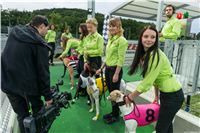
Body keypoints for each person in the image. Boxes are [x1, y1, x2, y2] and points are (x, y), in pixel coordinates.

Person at [126, 25, 184, 133]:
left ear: (156, 39)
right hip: (167, 95)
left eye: (153, 37)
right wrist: (157, 96)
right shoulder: (146, 54)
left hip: (173, 96)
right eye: (146, 36)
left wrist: (130, 97)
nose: (149, 39)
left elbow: (147, 82)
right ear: (141, 38)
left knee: (160, 129)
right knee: (167, 126)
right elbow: (154, 79)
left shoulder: (155, 55)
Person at [1, 15, 53, 133]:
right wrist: (48, 96)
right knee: (39, 114)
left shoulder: (15, 32)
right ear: (41, 26)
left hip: (8, 83)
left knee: (22, 116)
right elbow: (43, 73)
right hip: (28, 86)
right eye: (47, 28)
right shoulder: (39, 44)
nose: (47, 31)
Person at [96, 18, 128, 124]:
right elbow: (107, 56)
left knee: (115, 94)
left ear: (119, 27)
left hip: (115, 70)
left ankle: (116, 115)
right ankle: (114, 112)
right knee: (111, 93)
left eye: (113, 26)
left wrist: (116, 73)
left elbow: (121, 59)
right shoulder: (111, 39)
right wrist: (101, 67)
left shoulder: (122, 40)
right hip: (108, 69)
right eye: (110, 26)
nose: (111, 28)